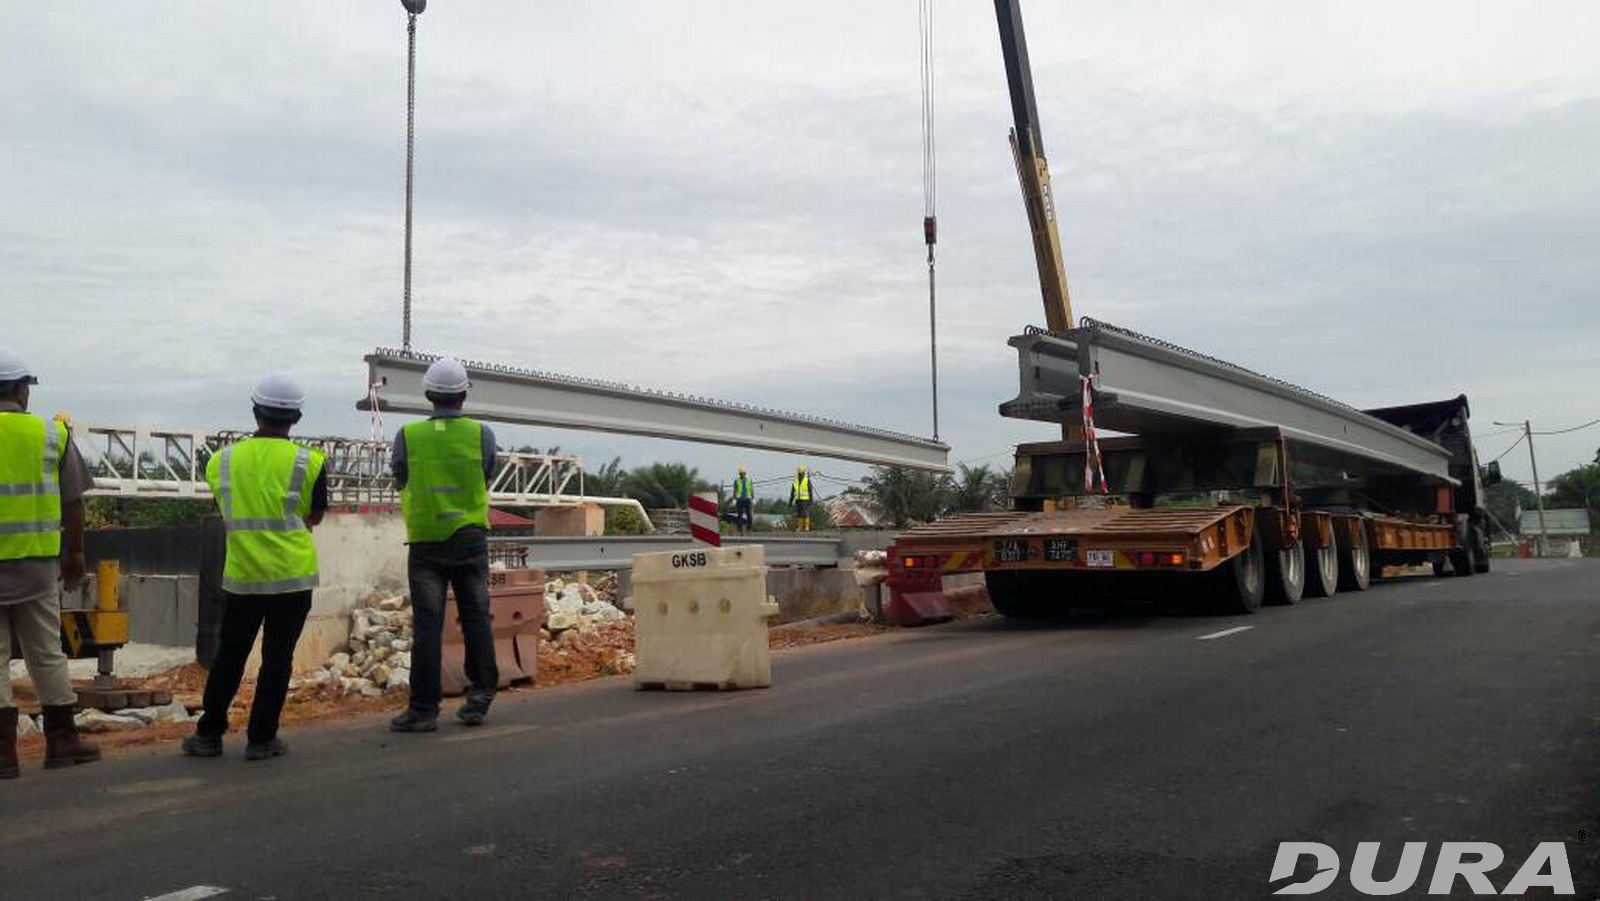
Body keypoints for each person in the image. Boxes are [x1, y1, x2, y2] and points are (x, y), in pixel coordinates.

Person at [182, 373, 327, 762]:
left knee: (230, 655)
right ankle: (262, 739)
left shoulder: (222, 461)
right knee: (277, 659)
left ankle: (209, 734)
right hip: (292, 578)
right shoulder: (310, 461)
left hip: (243, 577)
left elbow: (224, 507)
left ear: (255, 411)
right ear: (296, 417)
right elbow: (315, 515)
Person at [0, 348, 101, 778]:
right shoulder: (52, 434)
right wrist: (74, 553)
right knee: (46, 652)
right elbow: (73, 502)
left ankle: (2, 755)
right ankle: (62, 741)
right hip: (37, 566)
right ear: (20, 389)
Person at [389, 357, 499, 733]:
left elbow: (400, 477)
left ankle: (423, 709)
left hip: (426, 542)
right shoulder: (481, 434)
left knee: (428, 626)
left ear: (428, 394)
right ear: (464, 394)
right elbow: (486, 473)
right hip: (469, 537)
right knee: (476, 618)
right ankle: (479, 698)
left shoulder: (408, 436)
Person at [790, 464, 814, 533]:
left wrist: (811, 500)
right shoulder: (795, 480)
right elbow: (792, 491)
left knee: (805, 513)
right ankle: (800, 527)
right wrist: (791, 501)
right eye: (800, 473)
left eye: (801, 472)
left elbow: (810, 490)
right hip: (798, 499)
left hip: (805, 499)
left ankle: (806, 527)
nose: (801, 474)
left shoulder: (806, 480)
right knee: (799, 513)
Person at [732, 465, 754, 534]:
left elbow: (751, 489)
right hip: (739, 499)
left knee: (749, 514)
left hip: (748, 499)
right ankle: (739, 529)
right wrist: (734, 499)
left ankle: (749, 527)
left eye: (743, 473)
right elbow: (735, 490)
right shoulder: (737, 480)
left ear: (745, 473)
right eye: (741, 474)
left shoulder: (749, 480)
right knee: (739, 515)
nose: (742, 475)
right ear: (739, 474)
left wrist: (753, 498)